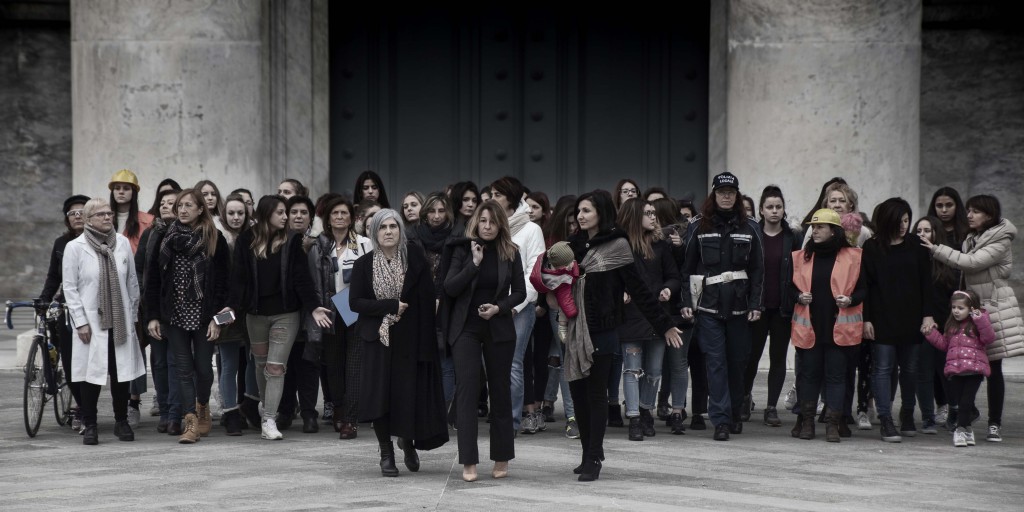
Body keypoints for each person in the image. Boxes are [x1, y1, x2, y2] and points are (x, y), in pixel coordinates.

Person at [565, 190, 682, 481]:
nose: (581, 216)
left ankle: (594, 456)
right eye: (579, 211)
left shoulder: (618, 245)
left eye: (587, 211)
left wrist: (664, 323)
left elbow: (640, 290)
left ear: (601, 214)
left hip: (603, 329)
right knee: (577, 394)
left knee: (595, 394)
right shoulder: (573, 246)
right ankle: (586, 452)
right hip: (576, 330)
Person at [225, 195, 333, 440]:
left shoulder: (292, 241)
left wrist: (314, 307)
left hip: (285, 315)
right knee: (261, 366)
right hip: (255, 316)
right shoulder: (246, 240)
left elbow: (301, 278)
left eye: (287, 212)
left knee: (275, 367)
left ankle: (269, 419)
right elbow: (239, 279)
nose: (287, 217)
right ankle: (268, 412)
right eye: (281, 212)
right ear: (266, 214)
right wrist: (230, 307)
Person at [351, 209, 448, 477]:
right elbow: (355, 303)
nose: (389, 231)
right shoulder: (364, 265)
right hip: (378, 338)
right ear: (374, 233)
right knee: (381, 396)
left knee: (407, 395)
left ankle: (406, 441)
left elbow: (427, 300)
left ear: (401, 230)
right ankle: (386, 453)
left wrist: (428, 341)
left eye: (393, 226)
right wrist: (390, 305)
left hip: (411, 339)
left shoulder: (415, 257)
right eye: (383, 227)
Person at [922, 194, 1024, 442]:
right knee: (963, 366)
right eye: (968, 210)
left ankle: (994, 424)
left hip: (994, 308)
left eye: (975, 211)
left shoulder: (1000, 238)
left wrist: (936, 249)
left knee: (994, 368)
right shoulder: (971, 237)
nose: (969, 215)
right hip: (971, 308)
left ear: (988, 215)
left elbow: (972, 262)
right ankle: (965, 416)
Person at [442, 201, 526, 481]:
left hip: (499, 327)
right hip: (465, 328)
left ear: (501, 224)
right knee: (466, 391)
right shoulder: (463, 250)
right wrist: (474, 264)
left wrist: (498, 308)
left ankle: (501, 458)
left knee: (500, 391)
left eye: (493, 222)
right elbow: (450, 287)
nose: (487, 227)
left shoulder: (510, 252)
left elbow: (520, 292)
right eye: (483, 221)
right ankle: (468, 461)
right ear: (476, 222)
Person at [680, 172, 765, 441]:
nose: (726, 196)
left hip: (740, 307)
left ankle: (735, 411)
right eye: (721, 192)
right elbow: (687, 268)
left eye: (731, 192)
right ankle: (721, 421)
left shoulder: (751, 227)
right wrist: (687, 303)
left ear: (737, 195)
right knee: (715, 363)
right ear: (713, 195)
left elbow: (759, 270)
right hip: (708, 307)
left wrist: (756, 304)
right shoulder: (698, 226)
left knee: (737, 362)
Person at [144, 188, 230, 444]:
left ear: (201, 209)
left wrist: (220, 320)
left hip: (206, 317)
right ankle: (190, 420)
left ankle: (202, 404)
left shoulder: (216, 239)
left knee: (203, 369)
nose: (182, 210)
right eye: (179, 206)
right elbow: (153, 281)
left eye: (188, 206)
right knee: (182, 370)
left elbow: (227, 286)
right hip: (175, 316)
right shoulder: (165, 238)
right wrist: (153, 316)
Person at [62, 198, 146, 445]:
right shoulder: (75, 247)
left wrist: (132, 317)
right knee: (91, 375)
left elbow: (131, 281)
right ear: (88, 220)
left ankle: (121, 422)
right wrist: (80, 322)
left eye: (109, 213)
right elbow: (70, 288)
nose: (108, 217)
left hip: (120, 320)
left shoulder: (120, 243)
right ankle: (90, 424)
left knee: (120, 373)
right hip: (91, 322)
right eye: (101, 214)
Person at [862, 197, 935, 442]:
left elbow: (927, 283)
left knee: (911, 369)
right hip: (882, 318)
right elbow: (867, 286)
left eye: (907, 220)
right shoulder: (872, 247)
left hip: (912, 317)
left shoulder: (917, 245)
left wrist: (928, 314)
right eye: (899, 220)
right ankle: (885, 419)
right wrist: (866, 319)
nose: (904, 225)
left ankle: (906, 413)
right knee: (882, 369)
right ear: (887, 221)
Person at [790, 209, 866, 442]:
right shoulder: (801, 256)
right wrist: (798, 296)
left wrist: (851, 299)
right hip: (810, 328)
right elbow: (789, 288)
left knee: (836, 377)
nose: (815, 231)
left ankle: (833, 424)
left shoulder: (854, 256)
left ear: (834, 231)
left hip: (839, 329)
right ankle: (808, 423)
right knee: (809, 376)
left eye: (820, 227)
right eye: (813, 227)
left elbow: (864, 289)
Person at [615, 198, 681, 441]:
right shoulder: (620, 247)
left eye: (654, 213)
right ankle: (633, 417)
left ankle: (646, 411)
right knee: (631, 370)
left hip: (658, 316)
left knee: (653, 371)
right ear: (635, 217)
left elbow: (674, 276)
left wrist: (668, 289)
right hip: (631, 316)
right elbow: (612, 279)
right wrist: (619, 292)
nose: (654, 217)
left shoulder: (660, 245)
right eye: (648, 213)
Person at [309, 196, 372, 439]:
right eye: (334, 213)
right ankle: (338, 408)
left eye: (344, 213)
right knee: (333, 363)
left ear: (352, 218)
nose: (339, 217)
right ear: (328, 218)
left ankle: (351, 419)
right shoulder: (319, 245)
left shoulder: (364, 243)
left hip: (355, 307)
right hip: (329, 309)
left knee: (354, 365)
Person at [489, 177, 547, 434]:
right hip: (491, 306)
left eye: (497, 195)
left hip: (519, 307)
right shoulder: (490, 226)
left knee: (513, 363)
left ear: (511, 199)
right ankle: (498, 414)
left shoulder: (531, 229)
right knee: (492, 363)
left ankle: (510, 422)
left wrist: (514, 305)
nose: (491, 199)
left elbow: (535, 271)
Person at [741, 186, 800, 427]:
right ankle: (745, 399)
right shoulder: (753, 234)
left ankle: (772, 407)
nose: (774, 211)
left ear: (783, 209)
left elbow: (800, 271)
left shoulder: (792, 237)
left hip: (783, 308)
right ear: (762, 210)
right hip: (757, 307)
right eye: (769, 207)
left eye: (778, 207)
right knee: (751, 356)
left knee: (778, 358)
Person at [40, 194, 91, 432]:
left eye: (82, 211)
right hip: (68, 306)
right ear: (67, 219)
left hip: (95, 306)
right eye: (72, 213)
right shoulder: (61, 244)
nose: (77, 216)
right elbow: (54, 277)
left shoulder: (100, 240)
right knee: (70, 362)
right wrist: (44, 299)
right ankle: (82, 407)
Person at [135, 189, 183, 435]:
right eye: (162, 203)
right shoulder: (151, 234)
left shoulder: (189, 235)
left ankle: (176, 414)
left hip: (182, 312)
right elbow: (143, 271)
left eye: (171, 203)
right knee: (160, 362)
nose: (165, 206)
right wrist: (148, 306)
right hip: (155, 309)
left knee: (178, 363)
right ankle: (164, 411)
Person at [924, 290, 996, 447]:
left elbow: (989, 338)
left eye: (961, 308)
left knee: (966, 401)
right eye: (954, 307)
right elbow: (944, 345)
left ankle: (960, 429)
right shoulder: (951, 325)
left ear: (972, 308)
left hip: (974, 370)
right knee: (960, 402)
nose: (956, 311)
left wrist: (980, 319)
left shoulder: (978, 322)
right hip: (955, 370)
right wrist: (931, 334)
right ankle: (968, 429)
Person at [913, 216, 957, 434]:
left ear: (935, 234)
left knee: (946, 370)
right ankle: (928, 418)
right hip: (921, 326)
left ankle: (954, 411)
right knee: (923, 372)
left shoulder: (947, 263)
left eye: (927, 230)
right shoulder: (912, 259)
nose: (922, 234)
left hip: (945, 325)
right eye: (918, 230)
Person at [214, 193, 252, 435]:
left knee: (253, 360)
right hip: (226, 309)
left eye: (240, 213)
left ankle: (248, 405)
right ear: (224, 215)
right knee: (228, 364)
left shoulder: (254, 237)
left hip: (250, 309)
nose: (236, 217)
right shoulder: (218, 238)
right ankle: (230, 413)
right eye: (231, 213)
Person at [108, 169, 155, 254]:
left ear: (134, 193)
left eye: (126, 188)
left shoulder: (149, 221)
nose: (121, 192)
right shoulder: (103, 219)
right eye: (117, 188)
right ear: (113, 192)